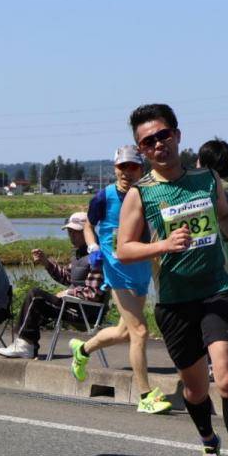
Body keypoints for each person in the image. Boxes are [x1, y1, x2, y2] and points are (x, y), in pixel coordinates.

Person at [116, 103, 228, 456]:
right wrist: (162, 244)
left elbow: (227, 216)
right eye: (148, 142)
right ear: (142, 150)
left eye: (163, 135)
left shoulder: (205, 178)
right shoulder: (140, 195)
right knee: (196, 391)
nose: (158, 144)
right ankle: (209, 444)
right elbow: (124, 249)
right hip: (175, 302)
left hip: (216, 290)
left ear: (178, 135)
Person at [70, 145, 172, 415]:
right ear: (115, 168)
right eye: (122, 166)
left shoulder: (147, 194)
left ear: (141, 168)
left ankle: (83, 349)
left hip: (142, 270)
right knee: (139, 331)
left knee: (123, 332)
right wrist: (93, 247)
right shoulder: (104, 197)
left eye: (133, 167)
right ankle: (145, 395)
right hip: (116, 269)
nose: (127, 172)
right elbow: (89, 224)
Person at [0, 211, 107, 359]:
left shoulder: (97, 256)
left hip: (86, 312)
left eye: (76, 232)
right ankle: (26, 344)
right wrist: (46, 262)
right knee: (36, 299)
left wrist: (69, 293)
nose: (71, 236)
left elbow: (93, 294)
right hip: (73, 305)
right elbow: (67, 277)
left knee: (36, 296)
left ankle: (25, 345)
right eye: (69, 232)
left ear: (88, 232)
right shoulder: (78, 254)